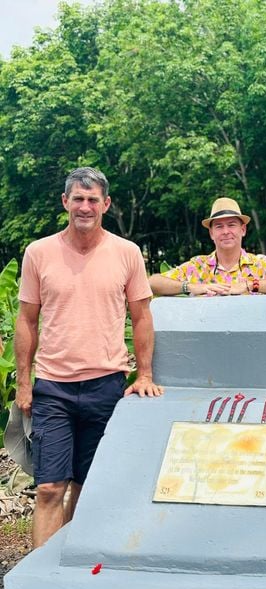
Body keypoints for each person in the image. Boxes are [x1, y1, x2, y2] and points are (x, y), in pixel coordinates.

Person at [14, 167, 163, 548]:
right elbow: (27, 320)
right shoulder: (39, 253)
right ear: (65, 202)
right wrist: (24, 383)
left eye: (92, 199)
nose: (85, 207)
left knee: (86, 483)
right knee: (49, 487)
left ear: (106, 204)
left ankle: (70, 561)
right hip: (54, 387)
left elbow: (142, 316)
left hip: (106, 384)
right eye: (78, 199)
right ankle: (42, 572)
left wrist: (145, 375)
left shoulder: (127, 253)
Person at [149, 197, 266, 296]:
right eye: (219, 226)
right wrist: (192, 287)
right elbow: (152, 282)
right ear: (211, 233)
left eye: (231, 225)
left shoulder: (259, 265)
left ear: (243, 230)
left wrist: (250, 285)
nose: (226, 232)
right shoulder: (197, 266)